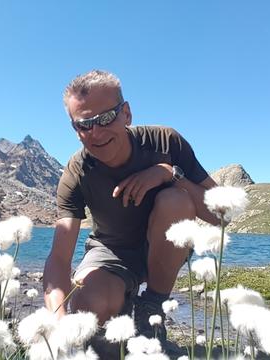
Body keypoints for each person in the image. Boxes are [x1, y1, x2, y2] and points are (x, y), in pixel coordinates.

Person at [43, 70, 219, 355]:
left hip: (164, 247)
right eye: (84, 125)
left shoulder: (165, 142)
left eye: (105, 118)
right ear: (75, 129)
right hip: (110, 252)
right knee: (89, 302)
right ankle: (124, 312)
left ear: (126, 113)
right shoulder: (77, 172)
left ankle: (152, 308)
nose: (96, 132)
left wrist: (169, 174)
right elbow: (60, 258)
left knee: (176, 200)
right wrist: (57, 322)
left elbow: (220, 215)